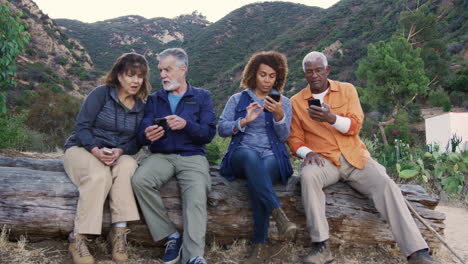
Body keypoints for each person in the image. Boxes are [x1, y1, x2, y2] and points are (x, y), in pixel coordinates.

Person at [287, 51, 438, 264]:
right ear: (304, 74)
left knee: (386, 184)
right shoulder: (296, 102)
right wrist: (308, 153)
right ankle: (321, 246)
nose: (314, 75)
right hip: (324, 160)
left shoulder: (347, 90)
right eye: (309, 72)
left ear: (327, 70)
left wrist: (331, 118)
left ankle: (417, 252)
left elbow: (355, 125)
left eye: (319, 70)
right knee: (308, 177)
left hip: (354, 156)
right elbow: (294, 139)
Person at [63, 52, 151, 264]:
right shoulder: (101, 94)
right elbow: (82, 126)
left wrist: (121, 151)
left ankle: (118, 233)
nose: (136, 81)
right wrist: (95, 150)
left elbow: (136, 141)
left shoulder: (141, 107)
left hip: (116, 154)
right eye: (131, 75)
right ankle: (78, 238)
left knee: (128, 165)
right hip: (82, 148)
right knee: (99, 174)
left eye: (140, 76)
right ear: (120, 75)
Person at [131, 48, 216, 264]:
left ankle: (193, 256)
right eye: (160, 70)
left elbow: (208, 133)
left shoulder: (202, 96)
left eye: (167, 70)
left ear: (183, 69)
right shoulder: (155, 99)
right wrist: (147, 134)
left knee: (196, 194)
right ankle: (170, 235)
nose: (162, 75)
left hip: (192, 156)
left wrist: (187, 125)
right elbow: (142, 132)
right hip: (162, 156)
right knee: (140, 181)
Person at [218, 51, 297, 264]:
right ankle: (278, 214)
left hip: (272, 155)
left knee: (259, 176)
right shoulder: (238, 99)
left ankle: (259, 246)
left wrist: (279, 115)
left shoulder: (284, 102)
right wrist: (243, 121)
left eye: (272, 76)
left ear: (277, 78)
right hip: (241, 153)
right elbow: (222, 129)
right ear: (253, 74)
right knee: (251, 157)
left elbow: (283, 137)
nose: (266, 80)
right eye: (263, 74)